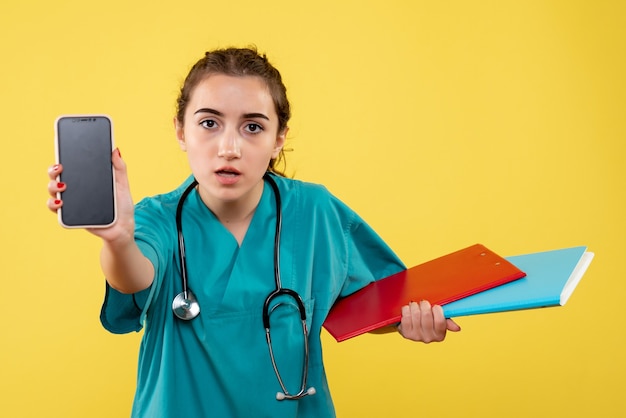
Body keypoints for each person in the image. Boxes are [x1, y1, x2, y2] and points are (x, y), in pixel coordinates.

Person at [47, 47, 460, 418]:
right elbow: (135, 275)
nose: (229, 147)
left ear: (279, 138)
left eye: (253, 127)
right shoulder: (156, 217)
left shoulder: (315, 212)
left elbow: (373, 300)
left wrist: (410, 320)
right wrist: (118, 238)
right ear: (180, 131)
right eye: (209, 123)